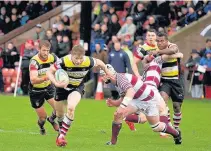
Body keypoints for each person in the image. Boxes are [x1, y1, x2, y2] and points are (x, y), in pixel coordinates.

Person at [100, 64, 182, 145]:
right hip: (136, 100)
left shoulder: (120, 78)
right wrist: (114, 103)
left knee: (156, 127)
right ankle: (113, 142)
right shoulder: (116, 82)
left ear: (109, 74)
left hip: (148, 100)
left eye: (103, 75)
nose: (102, 77)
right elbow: (123, 98)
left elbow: (130, 92)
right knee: (118, 114)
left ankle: (176, 134)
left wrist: (122, 106)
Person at [47, 45, 109, 147]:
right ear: (71, 55)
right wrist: (56, 83)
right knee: (60, 115)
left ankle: (61, 136)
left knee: (71, 108)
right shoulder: (64, 61)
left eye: (81, 58)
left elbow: (101, 63)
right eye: (76, 58)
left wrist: (107, 73)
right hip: (61, 88)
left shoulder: (88, 61)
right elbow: (50, 71)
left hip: (77, 87)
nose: (79, 61)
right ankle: (54, 120)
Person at [152, 32, 185, 130]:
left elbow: (173, 50)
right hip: (164, 81)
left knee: (176, 106)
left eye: (162, 41)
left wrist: (159, 52)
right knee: (162, 101)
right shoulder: (155, 49)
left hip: (176, 80)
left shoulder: (172, 46)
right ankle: (168, 126)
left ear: (167, 41)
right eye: (158, 41)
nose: (159, 43)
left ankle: (176, 127)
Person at [28, 40, 59, 135]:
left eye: (48, 51)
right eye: (44, 50)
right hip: (36, 91)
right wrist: (47, 77)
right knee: (42, 118)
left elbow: (62, 67)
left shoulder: (53, 57)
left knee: (59, 109)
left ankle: (52, 119)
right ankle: (41, 126)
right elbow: (33, 80)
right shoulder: (34, 62)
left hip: (49, 87)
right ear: (39, 49)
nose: (46, 53)